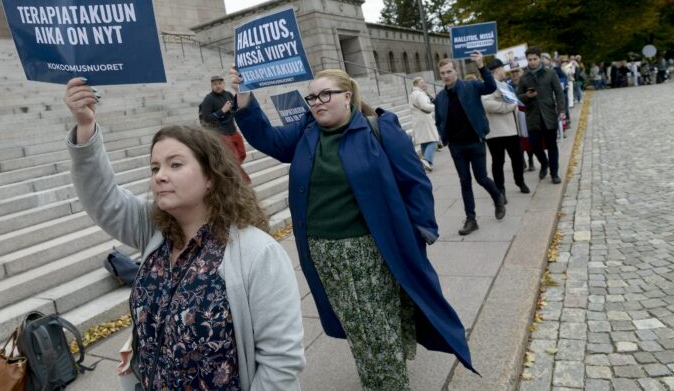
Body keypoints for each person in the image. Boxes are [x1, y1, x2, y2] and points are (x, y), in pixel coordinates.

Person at [230, 67, 474, 390]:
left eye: (325, 94)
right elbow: (268, 139)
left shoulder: (379, 128)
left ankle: (387, 382)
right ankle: (386, 368)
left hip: (370, 250)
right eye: (312, 97)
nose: (317, 102)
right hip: (323, 256)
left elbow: (415, 184)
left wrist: (421, 233)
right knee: (362, 328)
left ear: (347, 96)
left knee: (373, 328)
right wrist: (245, 98)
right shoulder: (307, 131)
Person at [63, 77, 305, 391]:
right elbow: (104, 199)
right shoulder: (154, 231)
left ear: (210, 177)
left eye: (175, 165)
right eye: (154, 168)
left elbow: (281, 362)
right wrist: (85, 126)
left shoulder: (258, 252)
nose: (160, 176)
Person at [434, 51, 506, 236]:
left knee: (481, 177)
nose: (446, 76)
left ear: (455, 71)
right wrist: (443, 137)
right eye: (442, 73)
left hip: (475, 141)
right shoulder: (441, 97)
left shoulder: (471, 86)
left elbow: (490, 86)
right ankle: (471, 219)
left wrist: (481, 66)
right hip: (456, 147)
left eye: (449, 71)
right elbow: (439, 119)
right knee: (464, 181)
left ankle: (497, 196)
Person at [482, 59, 530, 202]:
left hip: (511, 129)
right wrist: (508, 107)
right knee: (498, 162)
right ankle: (500, 190)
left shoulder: (504, 85)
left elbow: (512, 100)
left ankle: (520, 181)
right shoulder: (487, 84)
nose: (505, 72)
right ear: (497, 70)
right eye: (503, 69)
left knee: (517, 158)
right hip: (495, 131)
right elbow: (486, 104)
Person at [517, 47, 566, 185]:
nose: (532, 62)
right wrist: (526, 95)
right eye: (529, 59)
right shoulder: (524, 77)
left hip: (549, 114)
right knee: (534, 145)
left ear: (539, 58)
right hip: (532, 116)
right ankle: (544, 163)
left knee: (552, 145)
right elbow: (517, 96)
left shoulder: (550, 73)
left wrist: (561, 110)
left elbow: (559, 93)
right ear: (527, 60)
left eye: (535, 59)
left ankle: (554, 173)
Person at [200, 75, 251, 183]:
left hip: (233, 131)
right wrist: (222, 111)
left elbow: (236, 108)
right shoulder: (209, 99)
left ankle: (229, 171)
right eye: (215, 84)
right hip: (221, 134)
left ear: (223, 84)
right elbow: (206, 118)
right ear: (211, 86)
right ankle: (244, 183)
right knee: (234, 158)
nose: (217, 86)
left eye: (219, 83)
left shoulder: (228, 94)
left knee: (242, 154)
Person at [508, 65, 536, 172]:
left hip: (526, 113)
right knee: (517, 140)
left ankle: (530, 160)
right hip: (514, 114)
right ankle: (522, 161)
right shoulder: (507, 85)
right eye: (512, 72)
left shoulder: (527, 83)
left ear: (521, 72)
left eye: (517, 71)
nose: (514, 74)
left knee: (527, 139)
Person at [409, 77, 439, 171]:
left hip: (418, 119)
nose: (424, 84)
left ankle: (427, 164)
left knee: (425, 141)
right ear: (416, 84)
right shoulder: (419, 94)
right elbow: (425, 106)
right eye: (421, 82)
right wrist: (435, 106)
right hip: (425, 119)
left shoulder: (413, 94)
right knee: (434, 140)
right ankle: (426, 159)